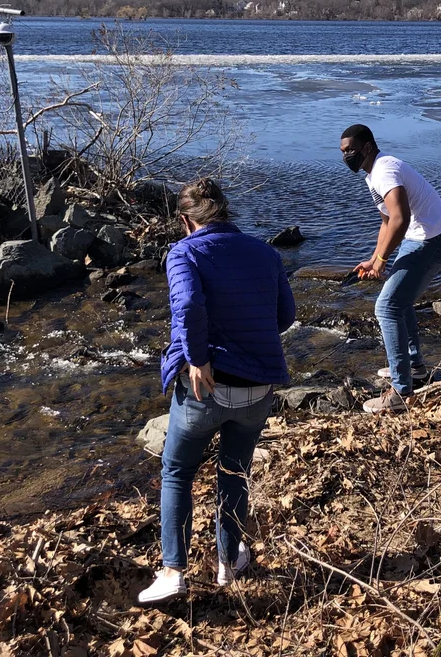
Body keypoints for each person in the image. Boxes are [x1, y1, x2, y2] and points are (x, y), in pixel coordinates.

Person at [138, 178, 296, 604]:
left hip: (205, 386)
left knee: (177, 473)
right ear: (225, 212)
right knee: (233, 474)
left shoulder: (184, 251)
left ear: (187, 220)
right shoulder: (266, 252)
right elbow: (285, 314)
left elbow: (188, 306)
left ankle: (174, 572)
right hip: (258, 387)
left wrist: (198, 356)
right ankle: (228, 562)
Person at [339, 123, 441, 414]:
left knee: (386, 307)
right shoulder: (373, 174)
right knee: (399, 301)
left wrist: (382, 261)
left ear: (367, 147)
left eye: (350, 151)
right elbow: (387, 221)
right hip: (420, 237)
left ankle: (400, 393)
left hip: (435, 240)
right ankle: (415, 366)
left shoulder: (384, 170)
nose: (346, 157)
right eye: (342, 152)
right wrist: (373, 258)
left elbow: (400, 218)